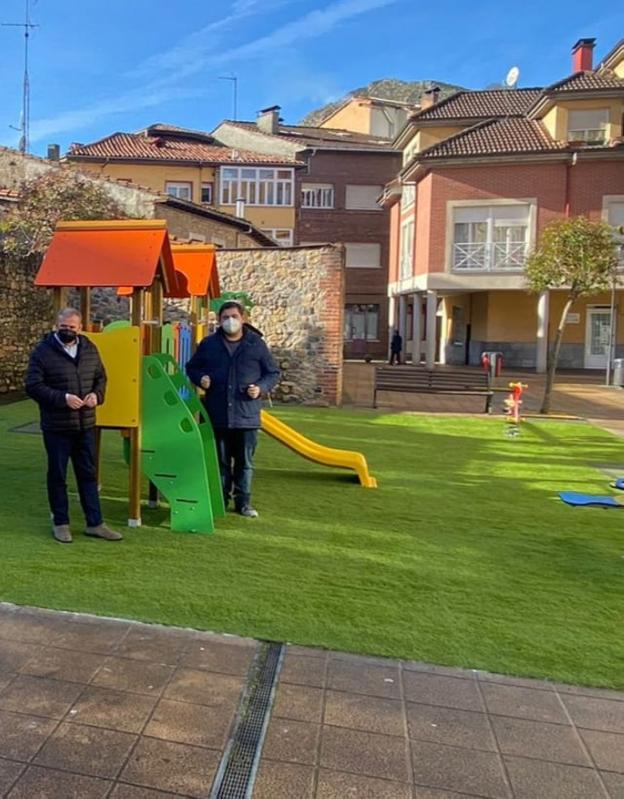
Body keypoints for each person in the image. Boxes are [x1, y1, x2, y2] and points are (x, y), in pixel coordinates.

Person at [25, 308, 122, 544]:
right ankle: (61, 523)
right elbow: (33, 385)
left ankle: (95, 523)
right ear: (56, 325)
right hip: (57, 426)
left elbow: (101, 377)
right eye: (64, 326)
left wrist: (96, 396)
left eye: (72, 327)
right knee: (58, 474)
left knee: (88, 474)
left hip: (85, 424)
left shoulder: (89, 348)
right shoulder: (42, 352)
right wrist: (63, 398)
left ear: (80, 327)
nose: (68, 330)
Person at [186, 301, 280, 518]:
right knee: (220, 462)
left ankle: (243, 503)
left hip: (246, 414)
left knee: (245, 463)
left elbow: (272, 372)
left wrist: (261, 388)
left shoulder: (255, 344)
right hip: (217, 414)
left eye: (234, 316)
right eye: (226, 317)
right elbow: (192, 367)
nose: (230, 321)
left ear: (243, 318)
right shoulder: (209, 344)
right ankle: (220, 500)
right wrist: (201, 379)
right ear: (219, 320)